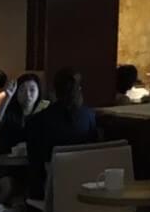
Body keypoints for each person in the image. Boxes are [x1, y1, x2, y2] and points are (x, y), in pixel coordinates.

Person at [25, 67, 99, 199]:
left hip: (52, 192)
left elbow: (35, 164)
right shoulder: (89, 117)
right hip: (87, 189)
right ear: (79, 89)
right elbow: (93, 152)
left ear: (54, 91)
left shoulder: (38, 121)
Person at [0, 73, 45, 153]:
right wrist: (7, 96)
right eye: (22, 90)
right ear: (16, 92)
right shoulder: (10, 109)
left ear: (39, 91)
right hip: (7, 155)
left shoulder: (43, 109)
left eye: (32, 90)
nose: (27, 95)